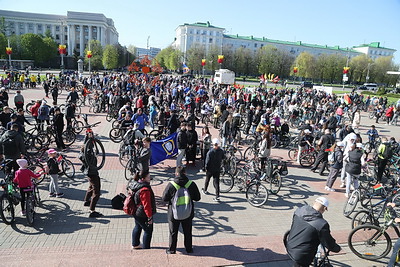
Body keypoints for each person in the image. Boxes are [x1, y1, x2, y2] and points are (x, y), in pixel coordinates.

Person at [285, 197, 341, 267]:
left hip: (289, 245)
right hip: (302, 256)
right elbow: (329, 243)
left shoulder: (299, 210)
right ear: (324, 208)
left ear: (314, 203)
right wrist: (337, 248)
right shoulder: (322, 224)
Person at [162, 167, 201, 254]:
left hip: (173, 213)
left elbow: (164, 198)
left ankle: (172, 250)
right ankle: (189, 249)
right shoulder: (191, 184)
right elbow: (198, 198)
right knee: (187, 232)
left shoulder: (171, 185)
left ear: (176, 174)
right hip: (188, 213)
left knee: (173, 232)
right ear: (185, 173)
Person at [130, 170, 156, 250]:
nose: (150, 178)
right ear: (144, 178)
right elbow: (146, 205)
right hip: (142, 213)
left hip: (136, 211)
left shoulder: (135, 184)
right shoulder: (145, 189)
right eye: (148, 177)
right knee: (148, 230)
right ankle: (146, 248)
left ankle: (135, 244)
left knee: (137, 226)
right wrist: (150, 217)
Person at [81, 146, 103, 218]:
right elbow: (94, 151)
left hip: (89, 173)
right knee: (96, 192)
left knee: (91, 186)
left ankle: (86, 201)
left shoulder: (83, 155)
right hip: (93, 173)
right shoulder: (89, 157)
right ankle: (92, 210)